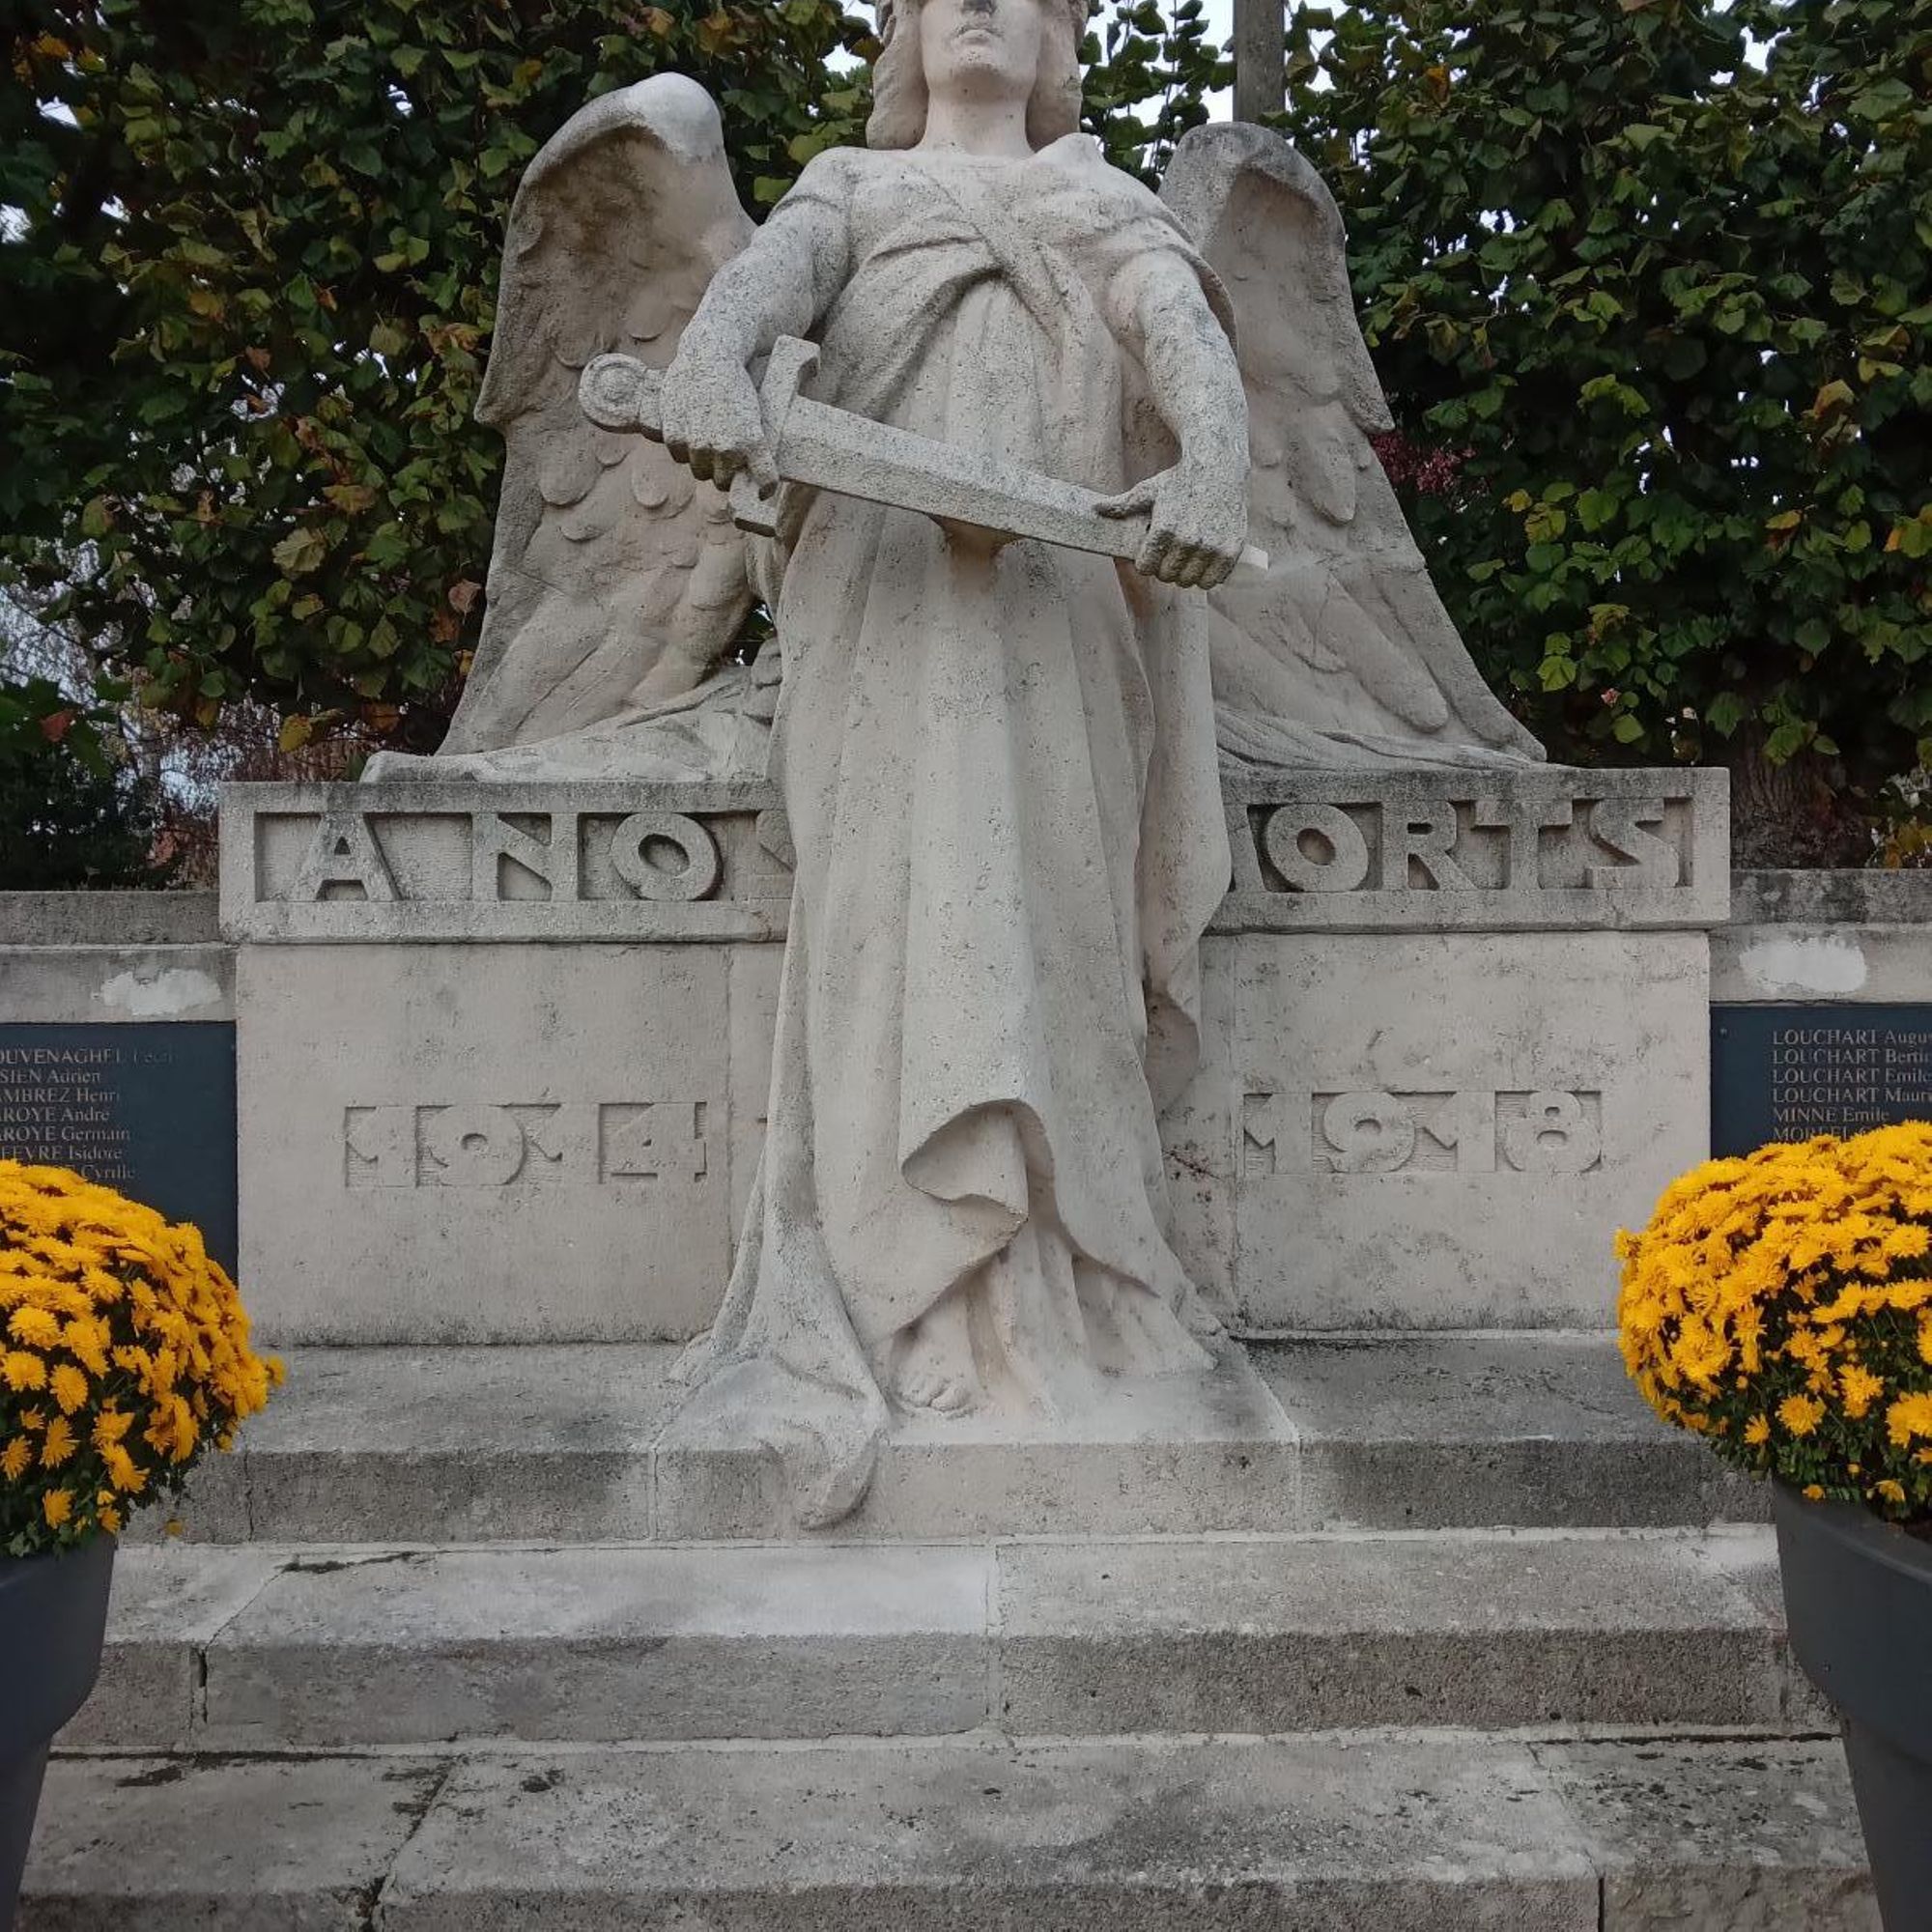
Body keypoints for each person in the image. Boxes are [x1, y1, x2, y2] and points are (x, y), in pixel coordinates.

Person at [657, 0, 1252, 1523]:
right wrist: (712, 359)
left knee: (1056, 929)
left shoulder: (1100, 200)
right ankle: (909, 1293)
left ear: (1059, 44)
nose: (980, 8)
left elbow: (1179, 332)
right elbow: (761, 288)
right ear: (906, 37)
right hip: (884, 615)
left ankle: (1082, 1279)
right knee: (891, 934)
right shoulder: (853, 189)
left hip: (1060, 616)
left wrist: (1215, 463)